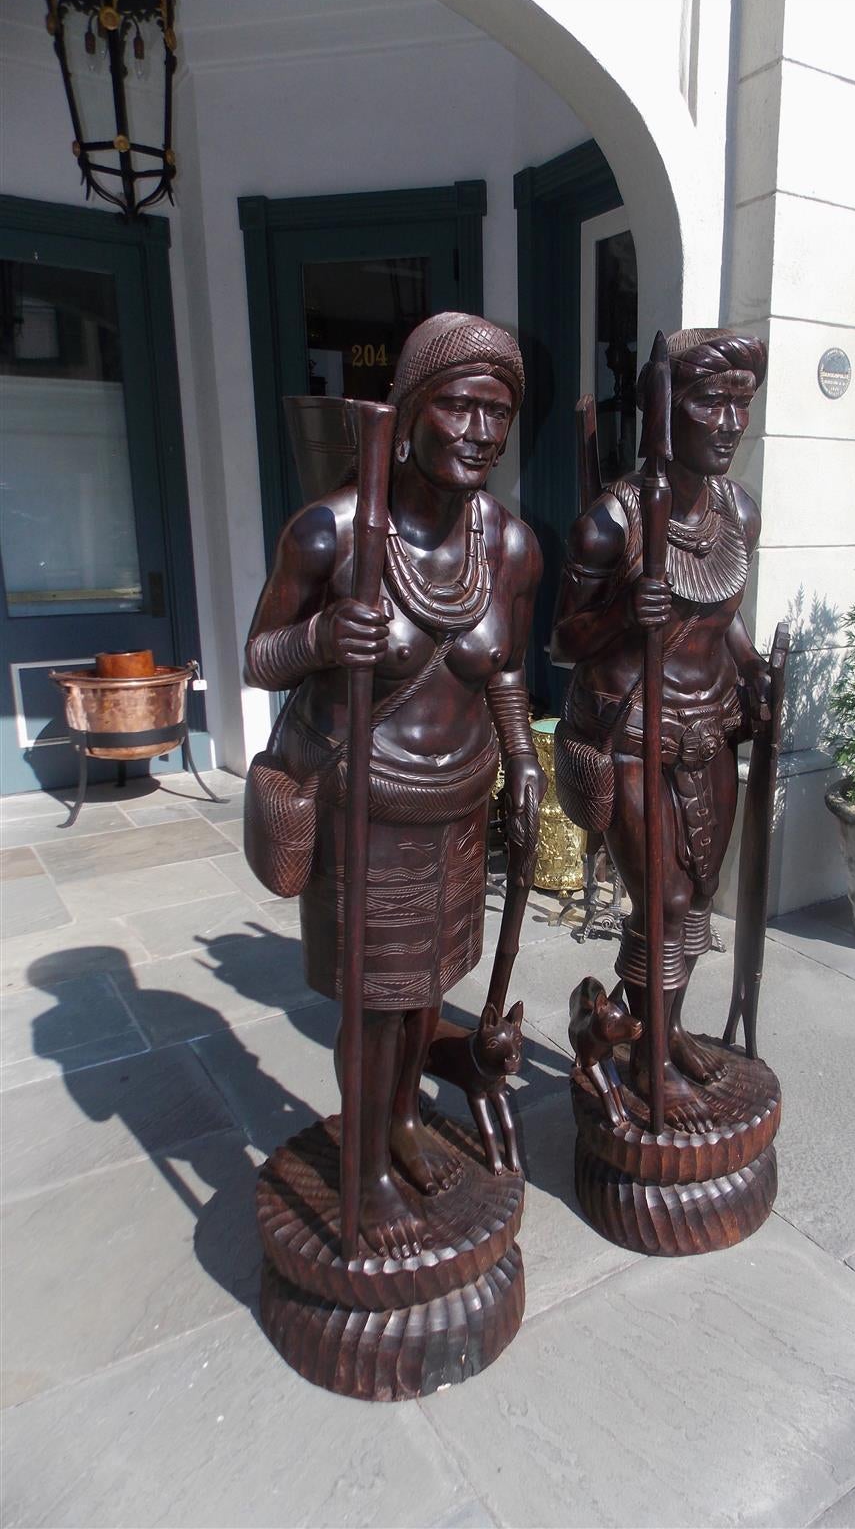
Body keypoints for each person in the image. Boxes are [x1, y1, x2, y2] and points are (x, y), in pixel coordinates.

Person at [245, 313, 543, 1257]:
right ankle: (364, 1165)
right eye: (456, 405)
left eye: (497, 413)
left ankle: (405, 1124)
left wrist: (526, 761)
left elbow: (503, 669)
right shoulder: (330, 532)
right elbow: (259, 657)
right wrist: (322, 641)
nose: (478, 432)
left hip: (459, 804)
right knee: (374, 1005)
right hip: (362, 803)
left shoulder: (511, 546)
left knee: (424, 992)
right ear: (410, 411)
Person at [551, 327, 771, 1131]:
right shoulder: (614, 520)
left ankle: (663, 1032)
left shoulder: (737, 512)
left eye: (741, 404)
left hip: (709, 728)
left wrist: (754, 669)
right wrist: (618, 611)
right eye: (708, 401)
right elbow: (561, 640)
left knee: (698, 896)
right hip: (632, 732)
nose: (727, 422)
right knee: (664, 898)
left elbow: (723, 623)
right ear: (663, 410)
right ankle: (640, 1057)